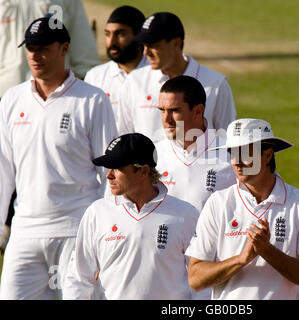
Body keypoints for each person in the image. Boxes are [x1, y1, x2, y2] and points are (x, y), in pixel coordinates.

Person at [0, 16, 117, 299]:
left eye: (43, 48)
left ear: (64, 48)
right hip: (25, 232)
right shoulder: (12, 100)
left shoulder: (92, 100)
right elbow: (3, 169)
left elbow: (110, 172)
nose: (34, 55)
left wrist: (108, 233)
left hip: (76, 231)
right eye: (30, 48)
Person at [185, 118, 299, 300]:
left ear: (268, 155)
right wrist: (241, 259)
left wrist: (268, 251)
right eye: (232, 153)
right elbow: (195, 278)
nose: (236, 162)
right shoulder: (218, 203)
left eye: (245, 154)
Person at [0, 0, 100, 254]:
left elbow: (84, 49)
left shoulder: (65, 1)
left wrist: (81, 87)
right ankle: (8, 225)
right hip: (7, 94)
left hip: (62, 95)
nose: (35, 53)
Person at [63, 133, 198, 300]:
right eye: (108, 168)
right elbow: (78, 278)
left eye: (117, 168)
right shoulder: (97, 213)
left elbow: (201, 280)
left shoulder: (185, 214)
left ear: (143, 171)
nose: (108, 175)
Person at [117, 11, 236, 143]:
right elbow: (124, 136)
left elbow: (228, 139)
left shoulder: (216, 84)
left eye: (153, 45)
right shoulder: (134, 82)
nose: (146, 52)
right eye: (144, 45)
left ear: (176, 43)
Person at [156, 75, 236, 213]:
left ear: (198, 111)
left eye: (174, 110)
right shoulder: (152, 155)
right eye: (162, 110)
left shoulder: (232, 156)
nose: (166, 119)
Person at [84, 5, 148, 123]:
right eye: (108, 34)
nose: (111, 42)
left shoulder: (159, 74)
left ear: (139, 36)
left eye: (120, 34)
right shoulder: (94, 77)